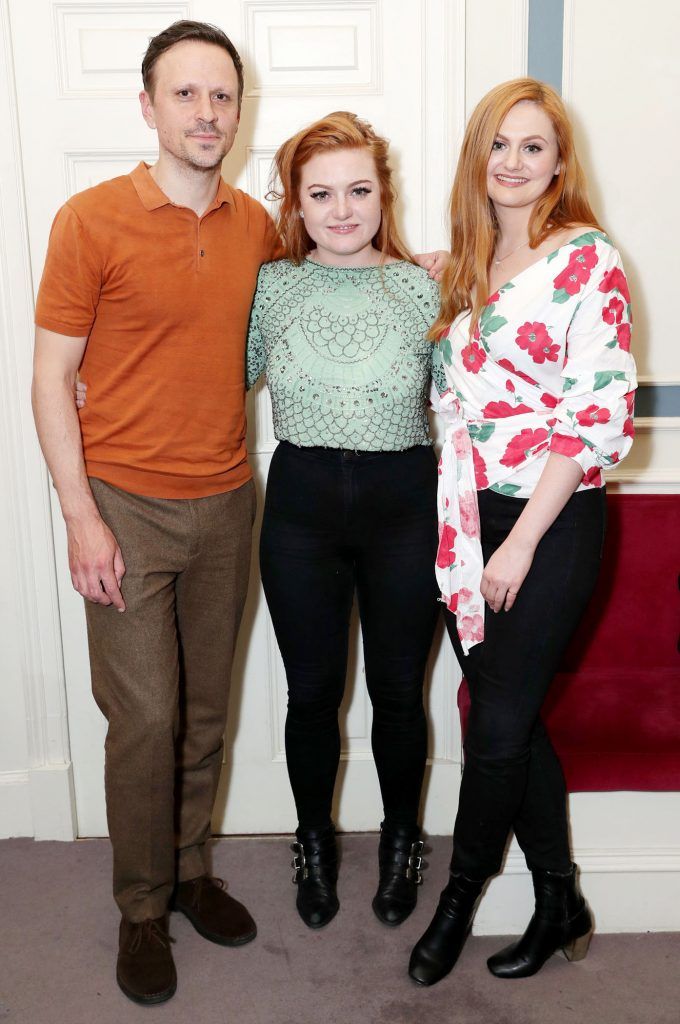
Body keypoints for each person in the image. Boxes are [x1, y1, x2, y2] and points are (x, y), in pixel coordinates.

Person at [31, 20, 281, 1006]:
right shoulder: (88, 220)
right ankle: (142, 906)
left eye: (221, 95)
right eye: (185, 94)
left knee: (207, 708)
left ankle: (189, 869)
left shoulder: (256, 227)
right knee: (145, 717)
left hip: (227, 500)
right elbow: (51, 380)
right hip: (124, 507)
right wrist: (78, 515)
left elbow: (305, 304)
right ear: (148, 107)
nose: (206, 112)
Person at [408, 78, 637, 987]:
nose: (513, 161)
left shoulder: (589, 259)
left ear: (558, 162)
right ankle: (559, 898)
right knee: (517, 720)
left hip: (550, 517)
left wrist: (518, 543)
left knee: (494, 725)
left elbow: (594, 420)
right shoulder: (465, 264)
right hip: (464, 514)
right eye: (498, 144)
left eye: (532, 146)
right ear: (479, 157)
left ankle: (458, 899)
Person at [246, 111, 447, 930]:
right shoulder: (269, 286)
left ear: (383, 194)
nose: (341, 209)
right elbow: (205, 376)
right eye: (320, 193)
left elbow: (471, 396)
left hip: (407, 506)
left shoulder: (426, 284)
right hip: (301, 507)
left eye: (358, 190)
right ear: (294, 202)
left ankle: (403, 840)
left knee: (400, 692)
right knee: (312, 694)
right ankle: (314, 842)